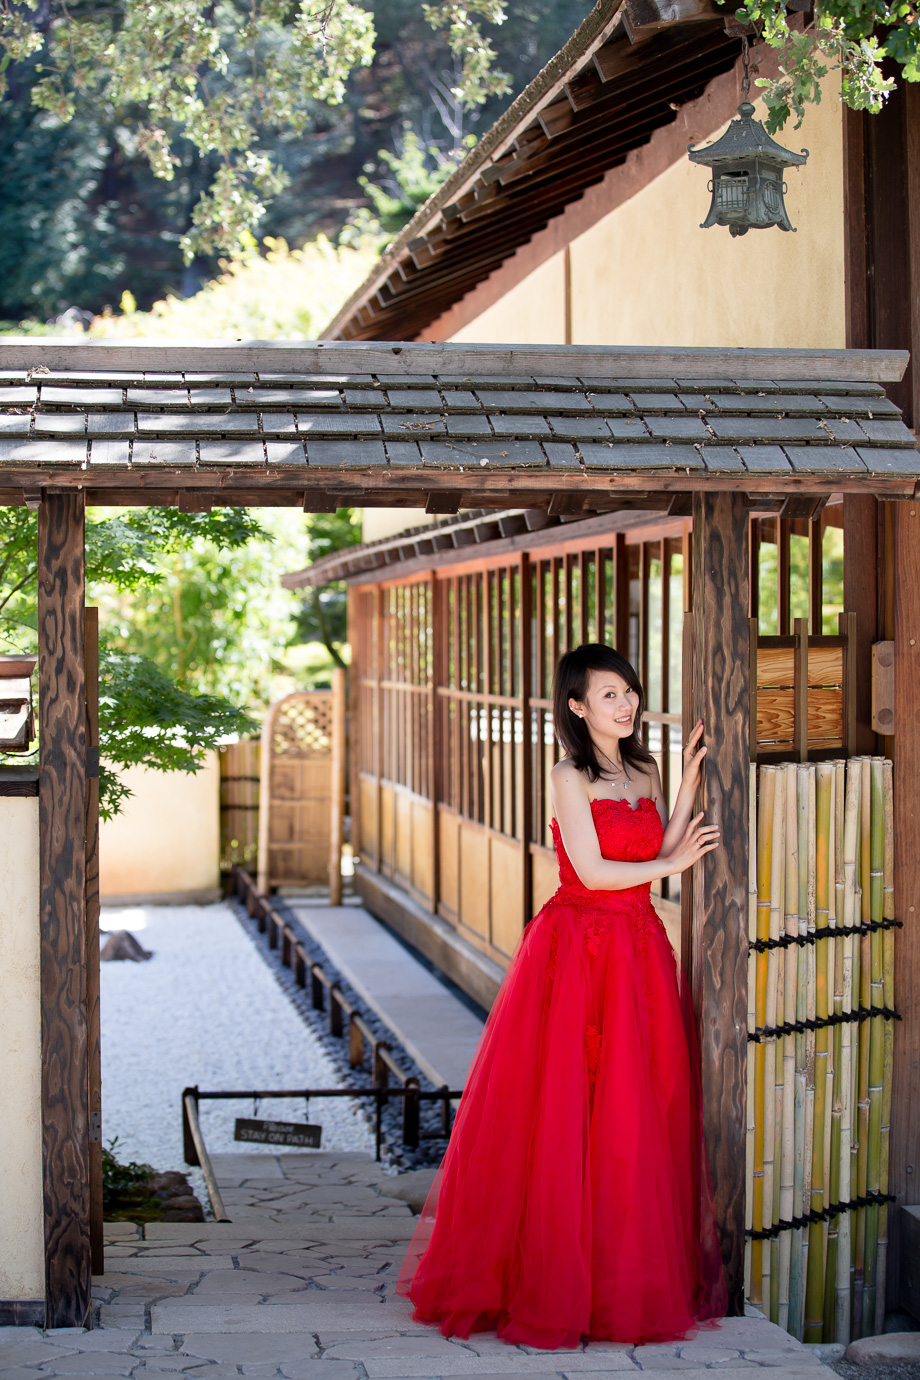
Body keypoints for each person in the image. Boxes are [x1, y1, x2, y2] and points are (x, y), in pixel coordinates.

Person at [396, 643, 728, 1350]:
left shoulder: (645, 765)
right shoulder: (566, 775)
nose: (626, 703)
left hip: (637, 949)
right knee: (564, 1111)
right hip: (577, 951)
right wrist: (672, 861)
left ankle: (619, 1280)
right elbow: (593, 871)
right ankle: (549, 1281)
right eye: (609, 695)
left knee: (633, 1109)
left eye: (629, 691)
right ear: (577, 707)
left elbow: (652, 856)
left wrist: (690, 784)